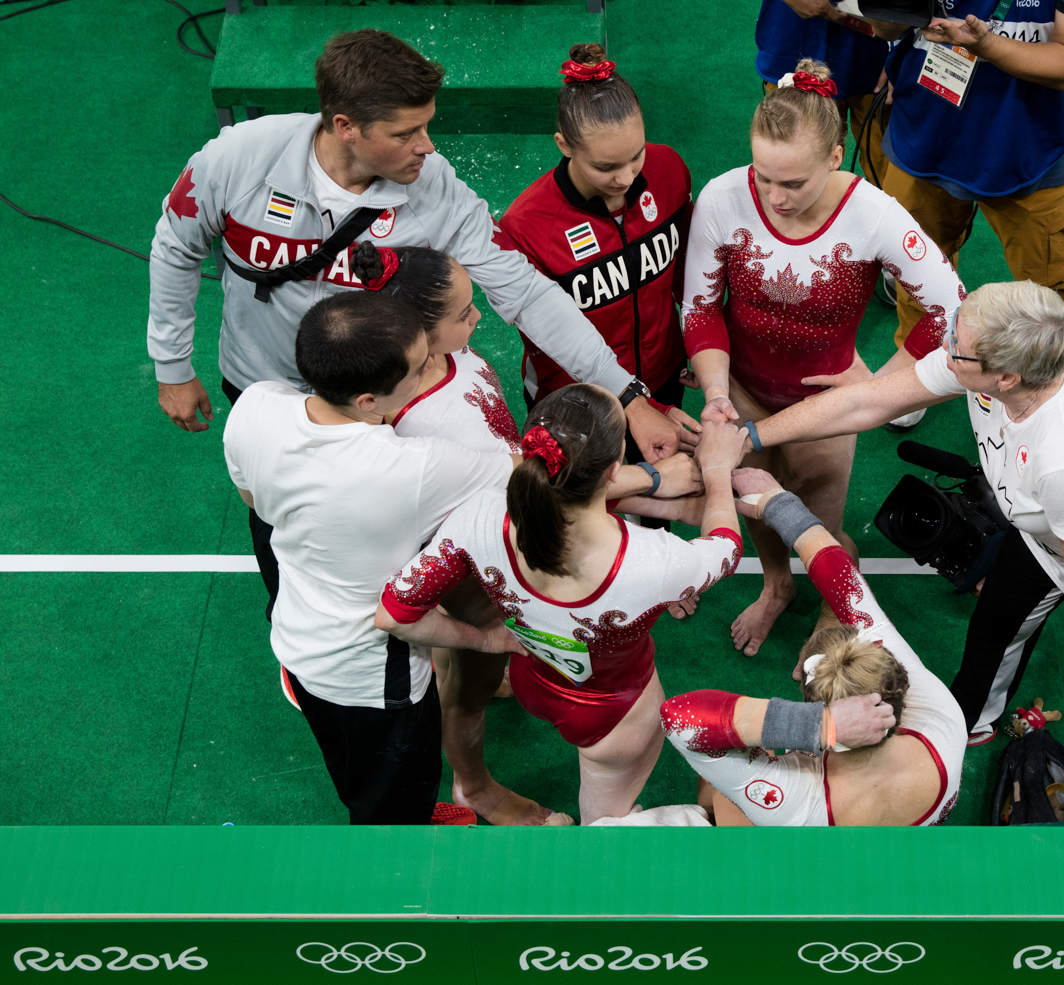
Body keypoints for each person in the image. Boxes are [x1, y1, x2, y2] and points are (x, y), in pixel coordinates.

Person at [149, 28, 681, 617]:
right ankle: (301, 634)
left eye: (427, 126)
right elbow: (176, 244)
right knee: (281, 522)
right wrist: (172, 364)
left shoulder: (434, 188)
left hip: (388, 403)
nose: (427, 146)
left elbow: (526, 292)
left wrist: (627, 392)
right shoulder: (236, 158)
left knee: (396, 531)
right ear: (345, 125)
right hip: (268, 384)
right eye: (406, 133)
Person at [747, 280, 1064, 817]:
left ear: (1007, 375)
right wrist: (753, 436)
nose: (944, 351)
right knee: (994, 627)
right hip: (1047, 532)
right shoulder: (1003, 363)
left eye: (955, 347)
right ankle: (971, 721)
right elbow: (871, 399)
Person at [351, 242, 702, 825]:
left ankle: (479, 695)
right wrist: (656, 480)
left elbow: (528, 472)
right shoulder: (435, 419)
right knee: (462, 687)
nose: (478, 318)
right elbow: (529, 482)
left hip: (491, 526)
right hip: (470, 560)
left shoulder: (443, 361)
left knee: (479, 668)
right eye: (464, 314)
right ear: (416, 333)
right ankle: (473, 786)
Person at [682, 60, 963, 656]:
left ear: (835, 157)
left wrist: (880, 388)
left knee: (821, 528)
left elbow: (953, 314)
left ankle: (834, 613)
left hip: (827, 410)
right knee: (756, 504)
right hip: (740, 393)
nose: (776, 198)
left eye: (794, 183)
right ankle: (778, 587)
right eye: (763, 179)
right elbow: (701, 309)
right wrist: (713, 395)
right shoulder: (721, 199)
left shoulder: (875, 215)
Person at [377, 387, 749, 824]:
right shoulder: (657, 560)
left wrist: (485, 641)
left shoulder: (476, 515)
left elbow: (394, 614)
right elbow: (725, 548)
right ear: (614, 469)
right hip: (614, 717)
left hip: (530, 675)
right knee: (603, 829)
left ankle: (473, 786)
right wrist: (719, 469)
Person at [221, 291, 519, 824]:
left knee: (356, 773)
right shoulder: (410, 466)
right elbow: (530, 478)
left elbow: (255, 504)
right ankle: (398, 855)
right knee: (391, 806)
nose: (431, 365)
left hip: (300, 643)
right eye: (417, 366)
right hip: (378, 683)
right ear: (366, 401)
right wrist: (490, 640)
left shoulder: (256, 404)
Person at [662, 470, 965, 826]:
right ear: (899, 687)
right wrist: (777, 501)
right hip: (904, 837)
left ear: (811, 704)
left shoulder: (796, 803)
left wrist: (821, 727)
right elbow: (845, 585)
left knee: (727, 775)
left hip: (821, 864)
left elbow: (679, 718)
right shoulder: (943, 718)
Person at [869, 1, 1064, 359]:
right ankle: (919, 364)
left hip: (1028, 149)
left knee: (1055, 287)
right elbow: (885, 27)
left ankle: (1063, 373)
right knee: (917, 269)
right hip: (923, 131)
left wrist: (984, 45)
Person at [496, 44, 700, 461]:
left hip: (663, 374)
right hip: (575, 400)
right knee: (583, 512)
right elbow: (548, 341)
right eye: (605, 167)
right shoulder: (526, 224)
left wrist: (693, 342)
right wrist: (637, 405)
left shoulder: (669, 172)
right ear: (563, 145)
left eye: (636, 156)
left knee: (658, 487)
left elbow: (685, 272)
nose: (625, 176)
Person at [754, 0, 892, 185]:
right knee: (795, 175)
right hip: (793, 38)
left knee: (886, 174)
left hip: (880, 47)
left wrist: (906, 47)